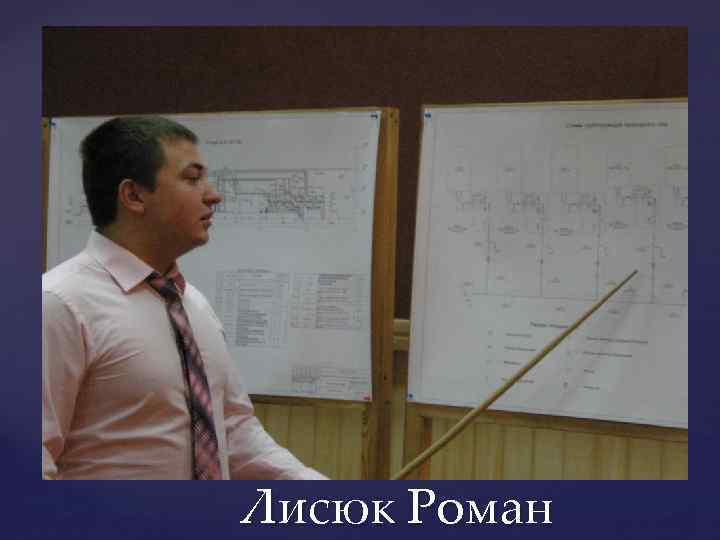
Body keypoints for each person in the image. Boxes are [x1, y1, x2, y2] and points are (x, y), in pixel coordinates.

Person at [42, 116, 327, 480]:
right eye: (192, 179)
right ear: (134, 196)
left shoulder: (194, 305)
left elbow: (233, 432)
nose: (213, 195)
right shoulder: (58, 304)